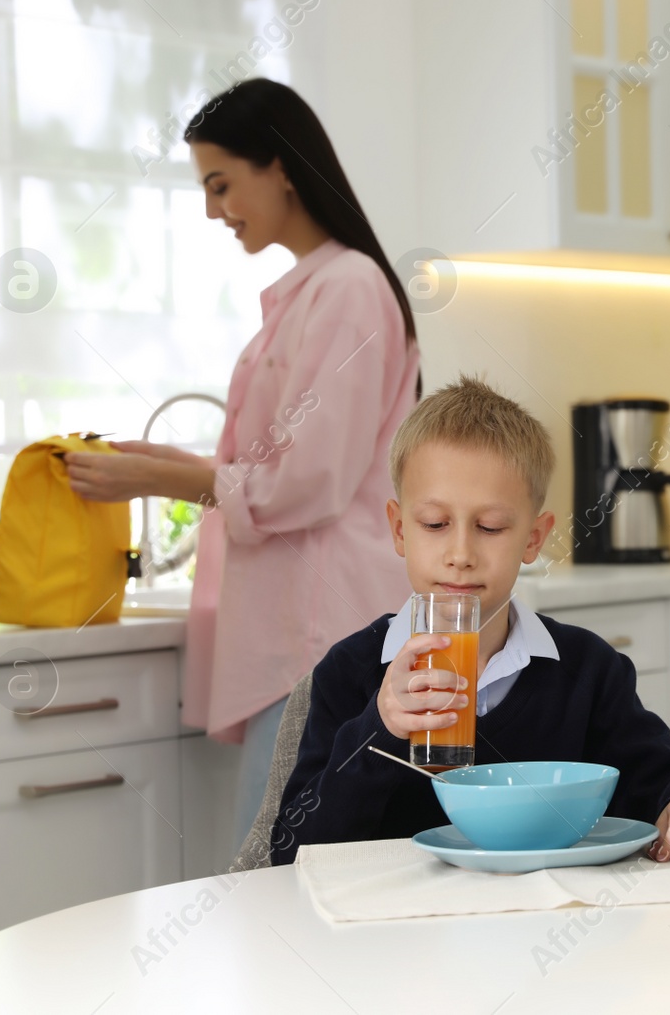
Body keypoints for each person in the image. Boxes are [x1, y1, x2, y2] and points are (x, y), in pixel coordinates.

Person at [65, 79, 418, 848]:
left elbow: (311, 480)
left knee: (281, 877)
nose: (211, 209)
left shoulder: (350, 289)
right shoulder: (314, 292)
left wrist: (164, 479)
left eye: (220, 184)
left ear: (281, 168)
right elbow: (290, 464)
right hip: (303, 636)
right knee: (283, 879)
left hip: (323, 635)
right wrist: (182, 467)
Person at [269, 377, 670, 864]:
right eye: (434, 524)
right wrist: (382, 726)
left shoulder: (587, 671)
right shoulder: (350, 674)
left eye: (490, 527)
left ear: (534, 539)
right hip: (401, 936)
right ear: (399, 530)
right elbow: (292, 851)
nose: (460, 554)